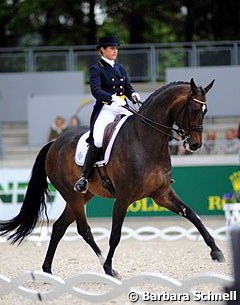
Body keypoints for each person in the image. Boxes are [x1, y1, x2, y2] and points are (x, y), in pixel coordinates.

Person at [74, 36, 141, 192]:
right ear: (102, 50)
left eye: (116, 48)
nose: (115, 51)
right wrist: (111, 98)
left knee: (140, 129)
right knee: (97, 140)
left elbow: (127, 87)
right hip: (106, 108)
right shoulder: (96, 68)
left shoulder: (120, 68)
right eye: (111, 48)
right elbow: (96, 91)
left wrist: (133, 94)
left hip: (122, 106)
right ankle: (84, 177)